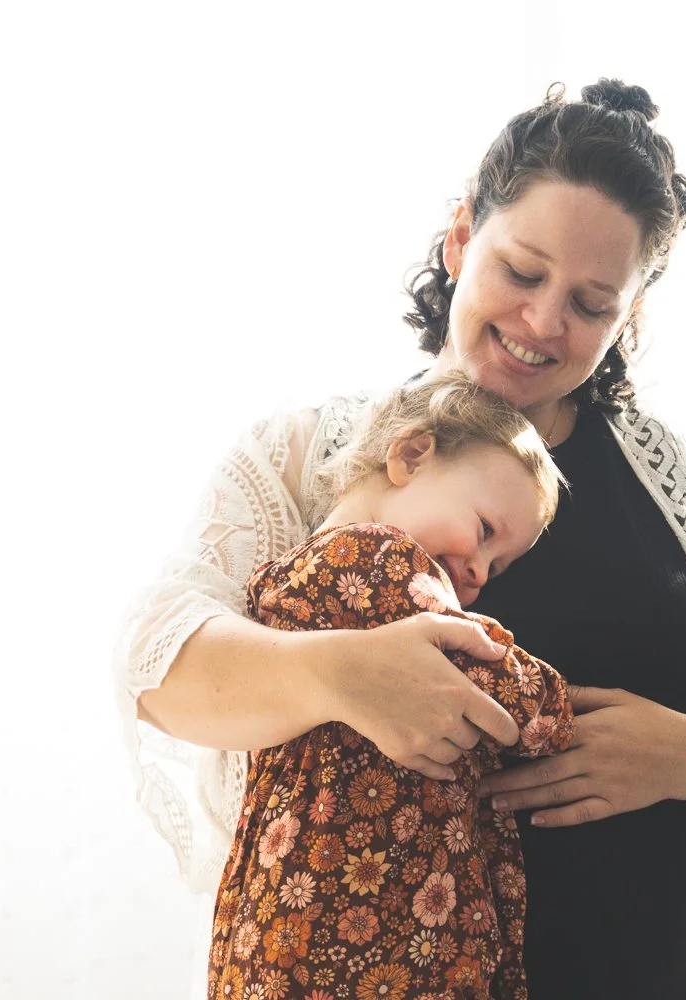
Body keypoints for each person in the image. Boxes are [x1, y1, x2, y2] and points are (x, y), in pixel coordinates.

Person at [115, 78, 686, 1000]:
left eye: (593, 303)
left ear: (630, 315)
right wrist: (339, 675)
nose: (545, 321)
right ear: (463, 237)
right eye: (522, 270)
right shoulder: (312, 456)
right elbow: (157, 666)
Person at [209, 372, 577, 1000]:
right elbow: (505, 698)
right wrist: (559, 705)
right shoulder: (384, 566)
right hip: (371, 932)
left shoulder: (283, 578)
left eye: (500, 564)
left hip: (279, 919)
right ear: (410, 455)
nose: (481, 571)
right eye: (485, 531)